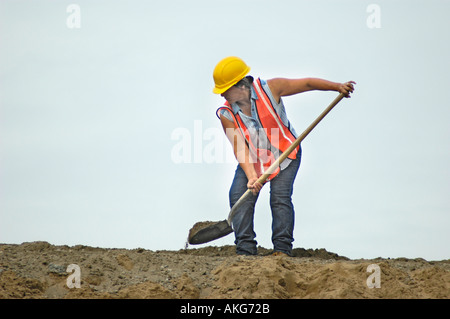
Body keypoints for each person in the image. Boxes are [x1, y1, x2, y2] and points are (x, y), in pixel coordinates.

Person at [212, 56, 355, 256]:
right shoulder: (226, 114)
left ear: (242, 85)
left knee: (279, 198)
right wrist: (252, 176)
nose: (222, 96)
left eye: (225, 90)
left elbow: (306, 84)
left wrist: (337, 87)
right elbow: (240, 148)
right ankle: (245, 249)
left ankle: (282, 250)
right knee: (238, 196)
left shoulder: (271, 89)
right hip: (254, 159)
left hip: (286, 153)